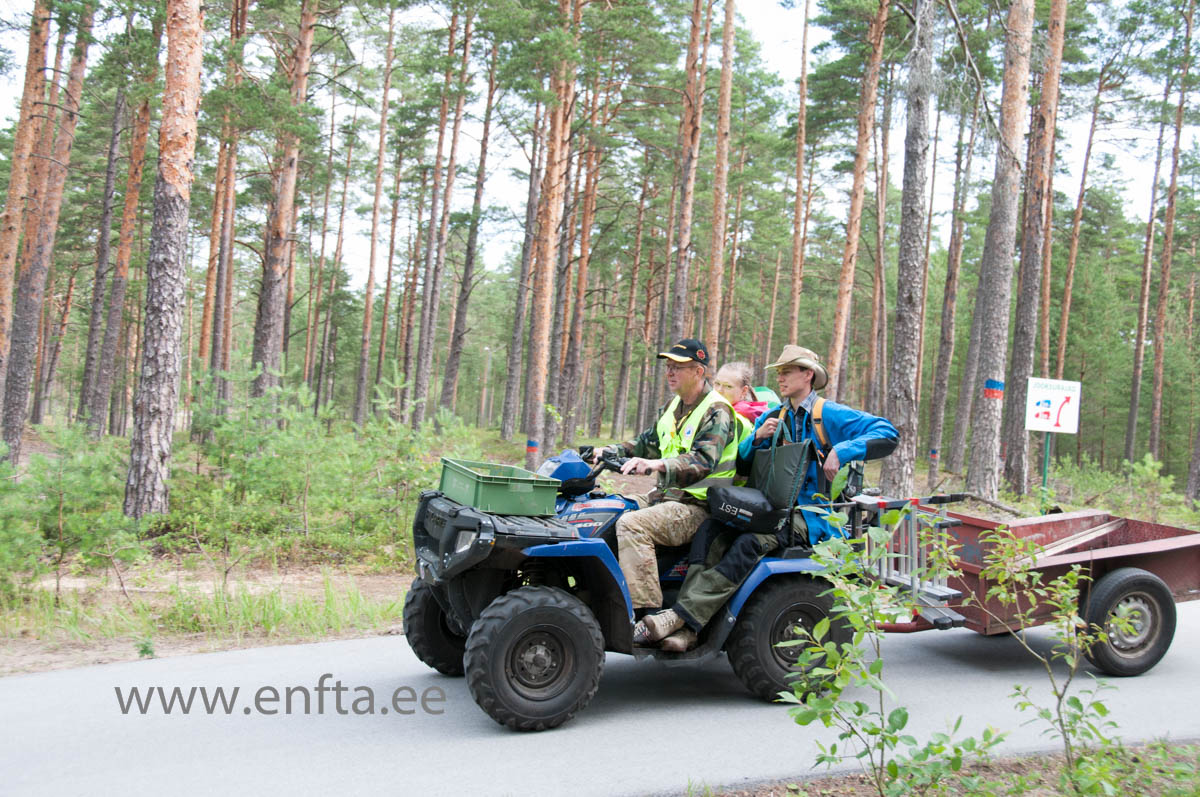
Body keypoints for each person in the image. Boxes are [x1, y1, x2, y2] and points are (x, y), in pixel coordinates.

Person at [634, 344, 898, 651]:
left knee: (749, 544)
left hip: (809, 516)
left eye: (787, 372)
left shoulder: (827, 414)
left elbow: (887, 432)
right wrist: (757, 439)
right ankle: (690, 629)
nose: (780, 378)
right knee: (709, 532)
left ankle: (683, 620)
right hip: (770, 509)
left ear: (808, 375)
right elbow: (743, 464)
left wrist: (842, 450)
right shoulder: (774, 415)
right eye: (779, 372)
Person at [593, 339, 737, 646]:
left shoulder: (717, 410)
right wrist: (609, 450)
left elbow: (703, 461)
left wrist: (656, 465)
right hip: (667, 499)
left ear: (698, 371)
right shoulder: (672, 407)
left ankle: (645, 616)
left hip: (699, 507)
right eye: (668, 367)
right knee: (607, 509)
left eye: (678, 367)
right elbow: (645, 443)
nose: (670, 372)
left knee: (633, 525)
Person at [713, 361, 769, 439]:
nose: (719, 390)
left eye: (728, 386)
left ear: (744, 391)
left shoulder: (736, 417)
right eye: (717, 383)